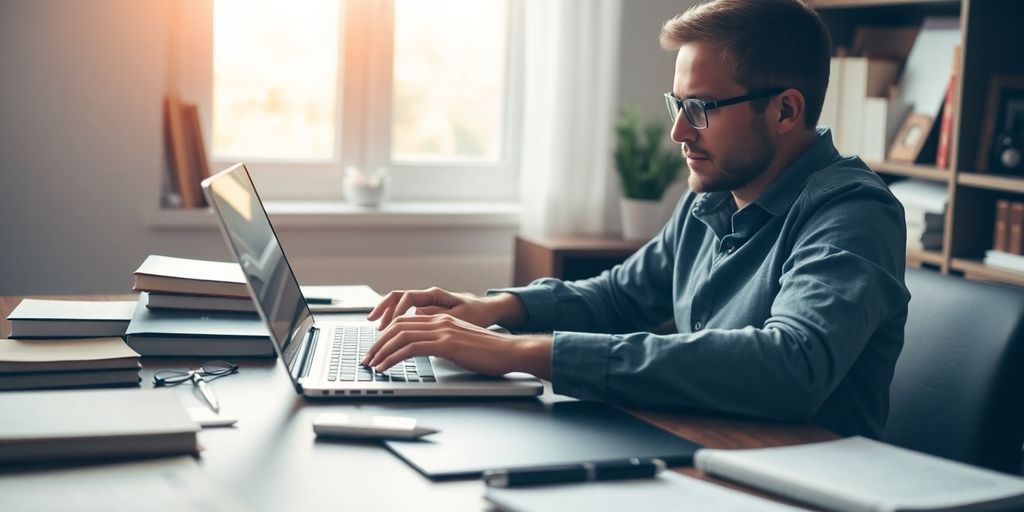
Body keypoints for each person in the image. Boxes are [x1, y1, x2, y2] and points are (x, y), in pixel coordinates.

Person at [362, 0, 909, 438]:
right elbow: (621, 297)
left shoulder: (853, 212)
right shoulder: (710, 199)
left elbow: (792, 366)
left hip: (802, 478)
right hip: (707, 450)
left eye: (701, 109)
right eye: (678, 106)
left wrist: (519, 351)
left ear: (786, 110)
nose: (679, 133)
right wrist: (495, 309)